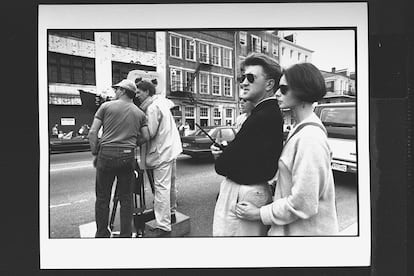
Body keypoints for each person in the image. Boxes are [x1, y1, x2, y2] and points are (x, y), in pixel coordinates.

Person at [235, 63, 339, 236]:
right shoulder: (300, 129)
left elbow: (303, 203)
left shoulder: (309, 138)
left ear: (302, 90)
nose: (276, 93)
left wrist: (259, 213)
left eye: (283, 89)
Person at [210, 52, 284, 236]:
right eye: (243, 77)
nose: (243, 82)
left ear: (269, 84)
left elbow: (223, 166)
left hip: (244, 195)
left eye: (251, 78)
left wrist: (222, 158)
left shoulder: (262, 116)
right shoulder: (265, 113)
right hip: (251, 192)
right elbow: (250, 154)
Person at [88, 79, 149, 238]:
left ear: (122, 91)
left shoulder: (106, 107)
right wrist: (132, 144)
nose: (115, 92)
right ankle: (125, 235)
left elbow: (93, 132)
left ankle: (102, 233)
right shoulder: (139, 113)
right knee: (126, 199)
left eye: (117, 89)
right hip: (127, 155)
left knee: (102, 198)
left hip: (106, 154)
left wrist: (96, 152)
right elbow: (146, 136)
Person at [136, 80, 183, 237]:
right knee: (171, 184)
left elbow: (149, 133)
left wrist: (134, 138)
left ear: (147, 92)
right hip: (171, 149)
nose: (137, 95)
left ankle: (163, 225)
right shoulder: (162, 103)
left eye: (139, 92)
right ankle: (171, 210)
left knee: (161, 188)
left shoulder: (152, 108)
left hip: (161, 152)